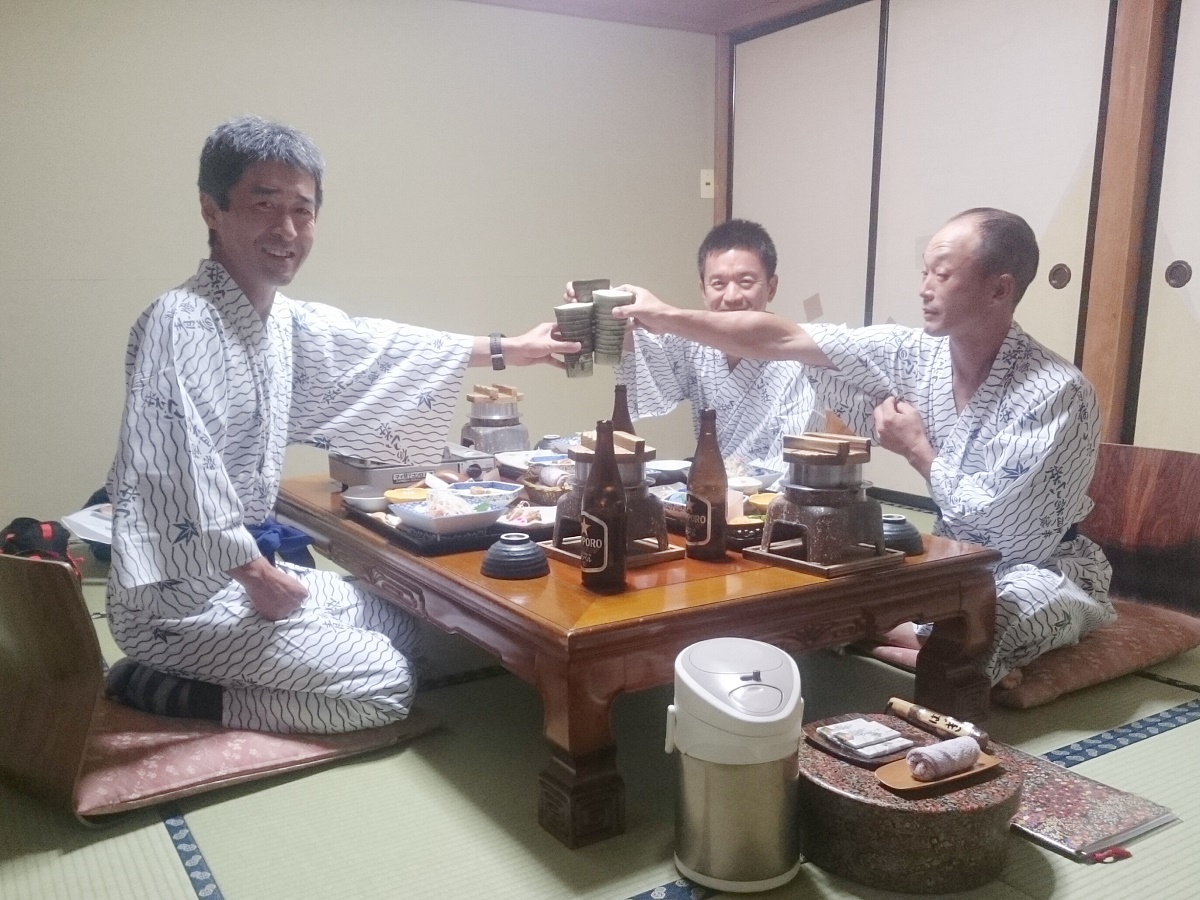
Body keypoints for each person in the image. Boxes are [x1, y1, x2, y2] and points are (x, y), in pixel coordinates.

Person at [104, 115, 578, 734]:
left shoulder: (281, 321)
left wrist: (509, 349)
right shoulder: (182, 321)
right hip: (178, 598)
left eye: (302, 211)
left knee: (404, 623)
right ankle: (160, 687)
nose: (286, 229)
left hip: (238, 576)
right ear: (211, 208)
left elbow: (380, 348)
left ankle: (233, 666)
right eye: (264, 204)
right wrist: (256, 576)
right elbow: (172, 467)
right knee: (384, 683)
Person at [609, 208, 1116, 687]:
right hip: (948, 558)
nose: (924, 288)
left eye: (942, 275)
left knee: (1004, 613)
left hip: (1039, 566)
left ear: (999, 288)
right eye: (925, 272)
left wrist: (918, 450)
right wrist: (660, 316)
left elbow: (1009, 533)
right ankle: (928, 646)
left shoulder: (1055, 391)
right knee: (833, 590)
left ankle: (918, 645)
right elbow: (786, 339)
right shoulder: (916, 354)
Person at [571, 220, 869, 475]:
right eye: (718, 284)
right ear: (703, 290)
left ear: (771, 287)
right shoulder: (698, 345)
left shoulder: (798, 356)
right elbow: (649, 371)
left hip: (773, 498)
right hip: (711, 489)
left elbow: (790, 463)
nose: (732, 296)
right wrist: (609, 312)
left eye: (746, 281)